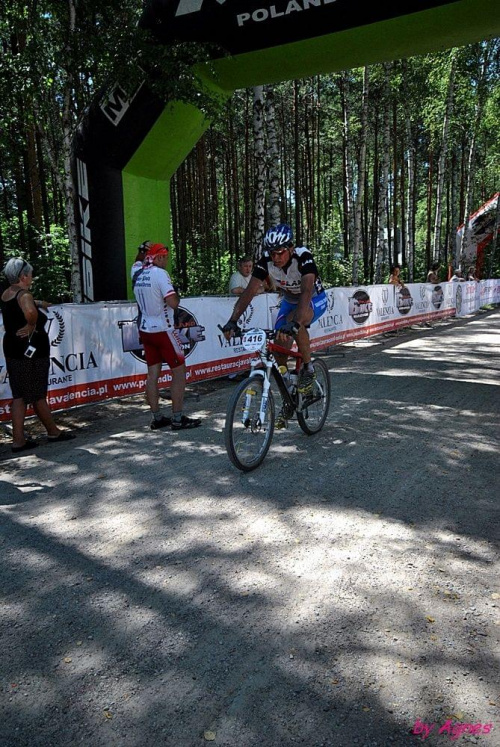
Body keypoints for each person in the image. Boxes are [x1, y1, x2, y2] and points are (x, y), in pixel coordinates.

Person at [222, 223, 327, 405]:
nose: (276, 257)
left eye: (280, 252)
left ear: (290, 248)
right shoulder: (265, 261)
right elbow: (249, 292)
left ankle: (309, 369)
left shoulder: (303, 256)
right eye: (272, 253)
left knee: (296, 322)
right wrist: (232, 321)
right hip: (289, 301)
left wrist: (295, 323)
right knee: (279, 345)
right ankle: (288, 391)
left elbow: (307, 290)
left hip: (313, 299)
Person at [0, 258, 75, 453]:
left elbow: (24, 305)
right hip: (30, 351)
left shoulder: (7, 294)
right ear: (23, 276)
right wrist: (32, 324)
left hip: (12, 348)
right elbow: (30, 311)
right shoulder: (24, 295)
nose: (32, 277)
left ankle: (20, 439)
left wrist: (39, 302)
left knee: (20, 395)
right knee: (37, 394)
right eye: (30, 274)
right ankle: (52, 432)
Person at [132, 243, 201, 431]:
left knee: (152, 374)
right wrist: (176, 293)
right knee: (179, 372)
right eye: (166, 258)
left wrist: (142, 250)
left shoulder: (137, 272)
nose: (166, 263)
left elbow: (137, 261)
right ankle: (177, 418)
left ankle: (157, 417)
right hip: (164, 330)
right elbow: (173, 302)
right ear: (159, 257)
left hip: (146, 330)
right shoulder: (160, 274)